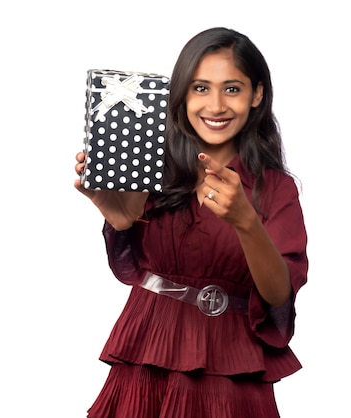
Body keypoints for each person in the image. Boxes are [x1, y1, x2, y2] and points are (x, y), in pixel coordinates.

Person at [74, 26, 308, 418]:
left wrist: (245, 221)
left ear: (257, 95)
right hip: (149, 350)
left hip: (232, 367)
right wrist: (119, 219)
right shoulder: (147, 165)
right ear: (180, 94)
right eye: (201, 88)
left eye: (231, 89)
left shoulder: (276, 189)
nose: (215, 105)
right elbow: (132, 260)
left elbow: (278, 296)